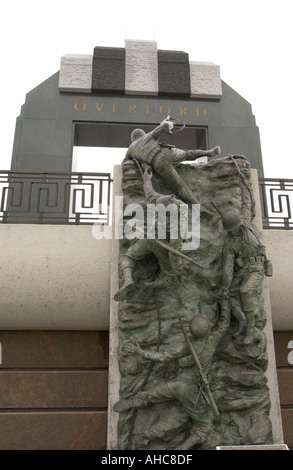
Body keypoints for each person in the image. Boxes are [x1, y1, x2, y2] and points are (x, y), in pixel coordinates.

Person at [113, 298, 230, 450]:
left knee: (150, 394)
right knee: (205, 426)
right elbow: (224, 323)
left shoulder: (186, 344)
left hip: (176, 384)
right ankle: (181, 450)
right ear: (208, 330)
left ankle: (136, 400)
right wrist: (225, 302)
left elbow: (164, 356)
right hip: (191, 391)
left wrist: (141, 352)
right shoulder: (212, 341)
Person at [114, 166, 189, 301]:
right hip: (159, 243)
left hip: (151, 239)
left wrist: (147, 181)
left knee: (127, 257)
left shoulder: (177, 223)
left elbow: (150, 193)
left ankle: (130, 280)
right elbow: (174, 252)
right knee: (169, 276)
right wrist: (179, 271)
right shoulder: (170, 211)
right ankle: (147, 285)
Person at [124, 118, 221, 206]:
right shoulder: (148, 136)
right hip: (167, 152)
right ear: (142, 134)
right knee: (187, 154)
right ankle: (208, 152)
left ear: (133, 140)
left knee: (180, 187)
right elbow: (165, 126)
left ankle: (198, 207)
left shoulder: (131, 148)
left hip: (158, 162)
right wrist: (169, 124)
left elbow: (124, 164)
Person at [219, 210, 272, 344]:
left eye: (235, 228)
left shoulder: (247, 227)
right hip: (244, 270)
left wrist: (244, 189)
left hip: (257, 269)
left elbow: (246, 206)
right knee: (229, 296)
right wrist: (225, 287)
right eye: (230, 230)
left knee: (245, 291)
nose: (233, 232)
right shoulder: (230, 245)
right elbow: (228, 269)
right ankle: (243, 320)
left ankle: (251, 331)